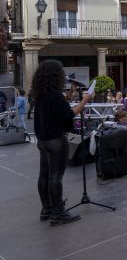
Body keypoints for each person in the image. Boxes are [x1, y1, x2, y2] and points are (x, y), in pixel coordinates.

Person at [32, 60, 93, 225]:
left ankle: (47, 209)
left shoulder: (41, 94)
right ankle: (58, 212)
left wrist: (71, 94)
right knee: (55, 177)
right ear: (56, 76)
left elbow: (56, 108)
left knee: (44, 174)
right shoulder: (55, 96)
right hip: (56, 141)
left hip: (43, 140)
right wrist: (85, 100)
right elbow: (68, 114)